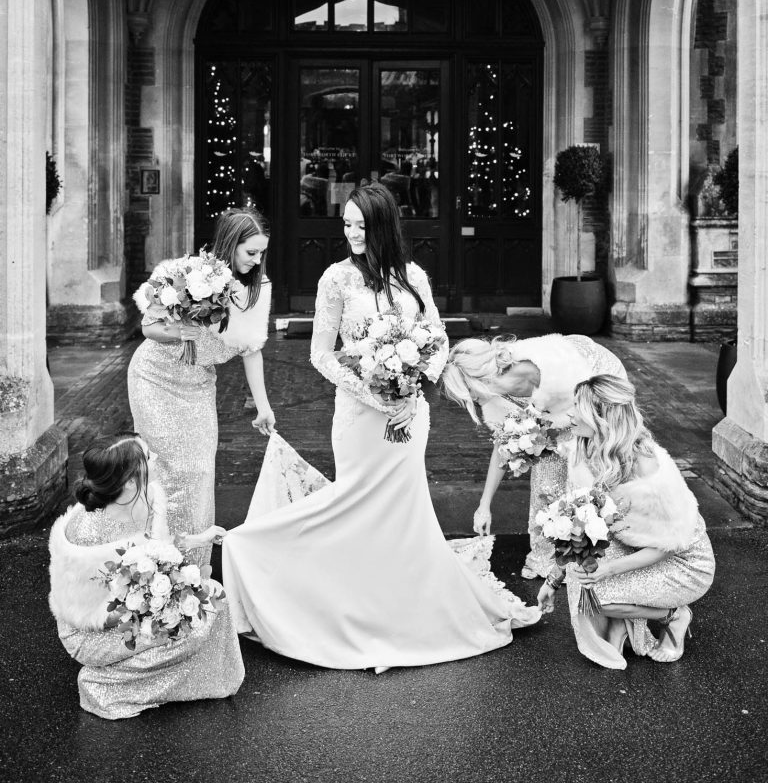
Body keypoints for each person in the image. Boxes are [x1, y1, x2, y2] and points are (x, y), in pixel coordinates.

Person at [223, 183, 540, 671]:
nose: (351, 233)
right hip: (357, 417)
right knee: (354, 503)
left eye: (360, 225)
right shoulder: (336, 280)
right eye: (345, 224)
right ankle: (274, 560)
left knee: (403, 511)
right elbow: (320, 354)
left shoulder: (414, 277)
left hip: (411, 419)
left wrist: (411, 395)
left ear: (383, 226)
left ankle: (401, 607)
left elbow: (436, 338)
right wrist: (377, 395)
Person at [48, 433, 244, 720]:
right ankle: (104, 686)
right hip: (93, 630)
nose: (155, 459)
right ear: (129, 480)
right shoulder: (84, 534)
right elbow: (80, 609)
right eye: (149, 456)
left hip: (135, 605)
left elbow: (157, 546)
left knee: (213, 600)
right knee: (186, 626)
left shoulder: (148, 495)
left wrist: (199, 540)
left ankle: (152, 676)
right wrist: (154, 608)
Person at [536, 375, 716, 669]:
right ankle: (627, 620)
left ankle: (674, 615)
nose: (569, 413)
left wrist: (606, 570)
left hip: (683, 562)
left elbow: (670, 544)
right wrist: (553, 579)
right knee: (585, 581)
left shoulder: (647, 466)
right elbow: (576, 529)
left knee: (596, 594)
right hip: (633, 542)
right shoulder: (583, 447)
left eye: (576, 407)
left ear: (600, 416)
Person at [128, 208, 274, 565]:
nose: (256, 262)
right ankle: (150, 562)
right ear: (230, 243)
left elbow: (252, 351)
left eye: (261, 254)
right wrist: (180, 329)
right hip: (153, 378)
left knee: (198, 471)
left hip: (197, 387)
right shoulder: (183, 273)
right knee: (160, 468)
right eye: (250, 252)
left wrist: (264, 406)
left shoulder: (259, 290)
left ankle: (191, 569)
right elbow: (149, 328)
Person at [442, 333, 628, 579]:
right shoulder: (493, 398)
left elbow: (581, 418)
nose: (470, 400)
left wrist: (556, 433)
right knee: (547, 481)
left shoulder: (545, 363)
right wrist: (484, 505)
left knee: (588, 471)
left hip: (594, 382)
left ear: (479, 378)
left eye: (467, 391)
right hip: (555, 413)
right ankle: (550, 560)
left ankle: (605, 552)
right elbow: (503, 446)